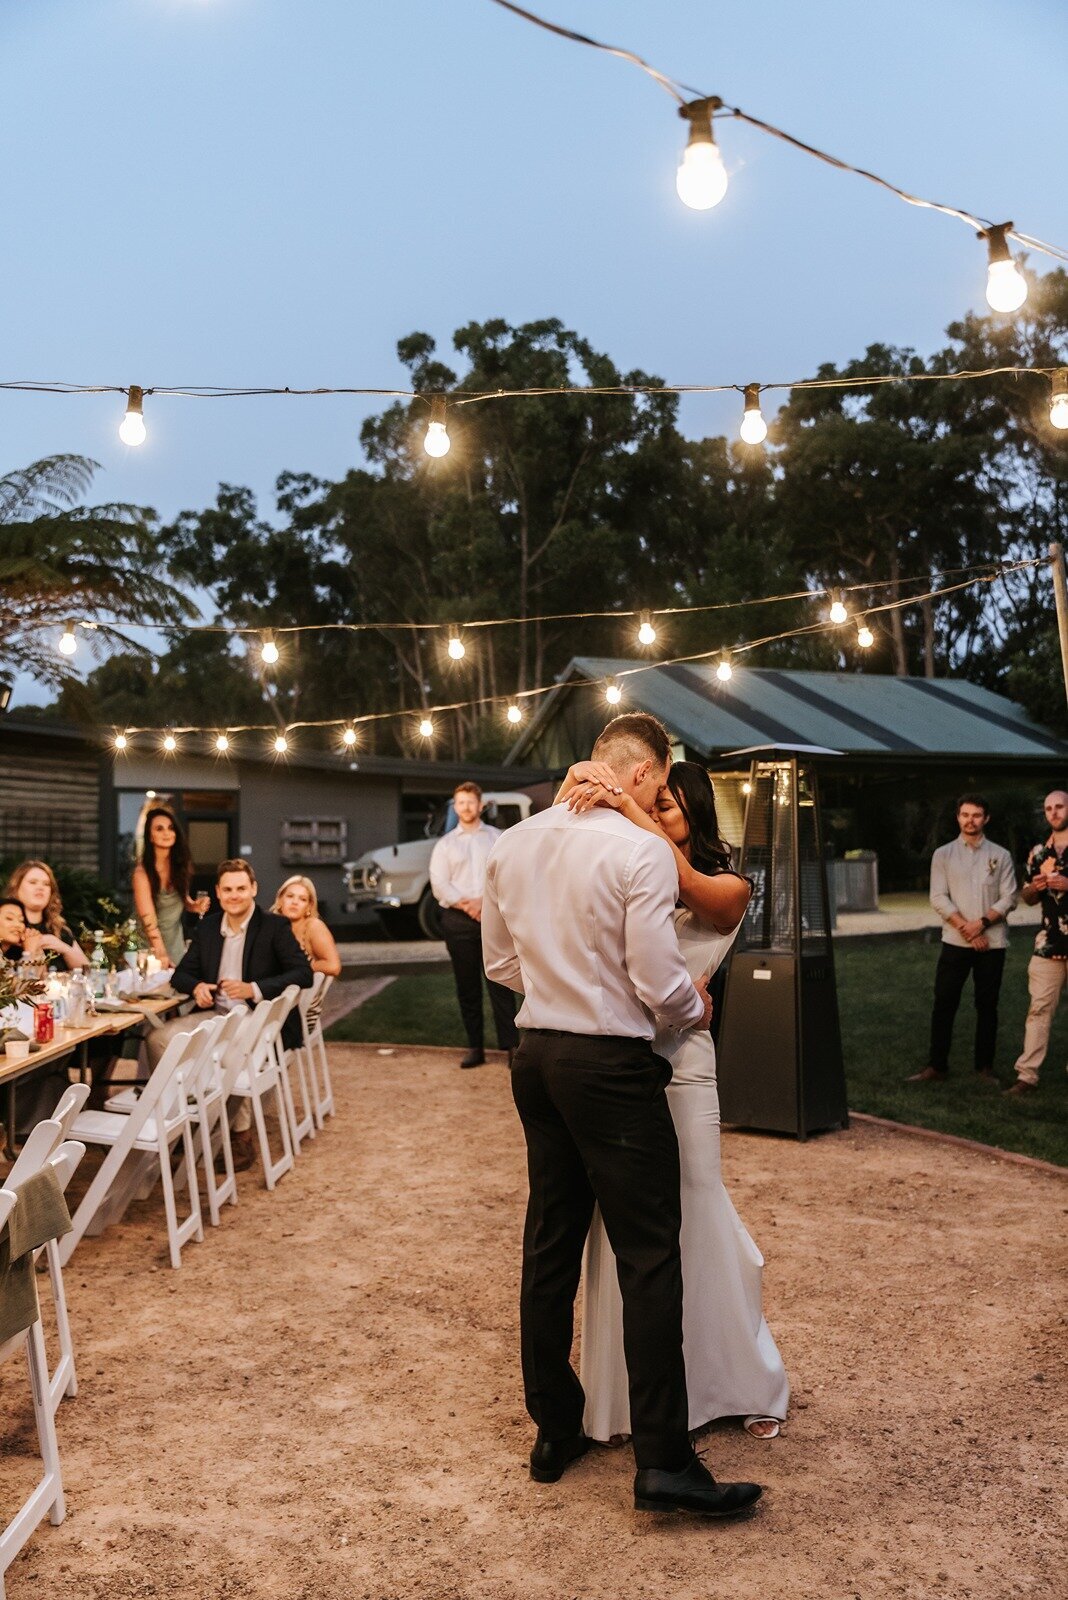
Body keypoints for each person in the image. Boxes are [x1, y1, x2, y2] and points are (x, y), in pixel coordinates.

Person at [482, 712, 762, 1521]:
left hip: (535, 1057)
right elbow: (659, 978)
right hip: (609, 1063)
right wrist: (691, 1009)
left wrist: (554, 988)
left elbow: (502, 961)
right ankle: (665, 1463)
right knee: (649, 1256)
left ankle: (555, 1430)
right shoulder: (638, 851)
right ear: (646, 772)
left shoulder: (516, 841)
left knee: (550, 1245)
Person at [558, 758, 790, 1443]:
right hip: (620, 1058)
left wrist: (627, 813)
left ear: (694, 810)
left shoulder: (726, 885)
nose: (652, 811)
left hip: (684, 1062)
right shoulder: (620, 868)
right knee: (618, 1222)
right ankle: (631, 1398)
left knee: (698, 1201)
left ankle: (735, 1380)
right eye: (646, 801)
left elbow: (692, 893)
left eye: (665, 804)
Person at [145, 859, 313, 1169]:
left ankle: (240, 1136)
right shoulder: (208, 927)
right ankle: (178, 1123)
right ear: (219, 894)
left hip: (257, 1017)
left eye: (241, 888)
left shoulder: (274, 926)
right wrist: (196, 987)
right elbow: (180, 975)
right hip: (216, 1014)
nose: (234, 895)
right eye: (227, 890)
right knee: (158, 1039)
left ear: (254, 890)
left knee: (232, 1055)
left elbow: (304, 974)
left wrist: (254, 988)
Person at [908, 795, 1017, 1085]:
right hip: (955, 941)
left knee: (987, 1005)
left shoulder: (1001, 855)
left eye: (977, 815)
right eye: (965, 814)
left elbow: (1009, 898)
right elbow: (938, 897)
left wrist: (980, 926)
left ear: (986, 818)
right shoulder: (943, 855)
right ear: (958, 817)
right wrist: (966, 929)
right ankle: (937, 1066)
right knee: (944, 1002)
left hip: (991, 943)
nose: (971, 820)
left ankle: (984, 1067)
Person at [429, 780, 518, 1069]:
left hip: (493, 917)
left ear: (480, 805)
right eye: (460, 803)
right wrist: (467, 903)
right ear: (456, 807)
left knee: (501, 983)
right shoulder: (445, 845)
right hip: (458, 920)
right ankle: (475, 1047)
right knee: (467, 986)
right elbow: (439, 883)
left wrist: (484, 902)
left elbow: (507, 873)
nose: (466, 807)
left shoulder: (497, 837)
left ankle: (511, 1047)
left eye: (470, 801)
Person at [1006, 789, 1068, 1095]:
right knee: (1038, 1009)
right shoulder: (1038, 853)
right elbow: (1027, 897)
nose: (1054, 812)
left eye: (1059, 807)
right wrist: (1035, 887)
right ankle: (1027, 1076)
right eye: (1048, 808)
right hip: (1049, 942)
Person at [132, 804, 210, 968]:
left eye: (170, 828)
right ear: (150, 836)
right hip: (149, 946)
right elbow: (149, 922)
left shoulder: (181, 866)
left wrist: (194, 906)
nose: (167, 833)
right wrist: (161, 954)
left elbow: (182, 898)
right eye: (159, 829)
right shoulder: (142, 874)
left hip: (175, 943)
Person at [271, 875, 342, 1026]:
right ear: (280, 901)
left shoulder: (314, 927)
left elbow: (333, 966)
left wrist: (298, 969)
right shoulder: (272, 926)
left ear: (309, 907)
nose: (295, 902)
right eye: (290, 896)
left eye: (302, 899)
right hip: (277, 1004)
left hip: (299, 1013)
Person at [5, 860, 88, 971]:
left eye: (46, 884)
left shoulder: (58, 929)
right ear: (16, 888)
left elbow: (90, 972)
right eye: (33, 882)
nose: (40, 887)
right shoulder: (7, 929)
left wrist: (64, 948)